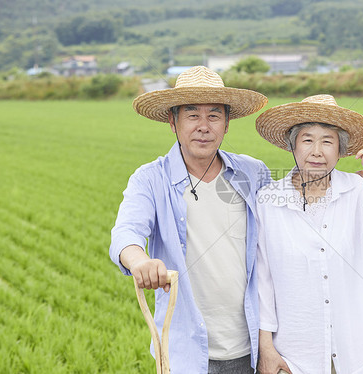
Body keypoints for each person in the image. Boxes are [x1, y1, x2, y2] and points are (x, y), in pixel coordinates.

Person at [109, 66, 270, 373]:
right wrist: (140, 261)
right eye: (192, 115)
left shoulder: (254, 173)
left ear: (227, 123)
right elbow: (126, 232)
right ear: (173, 121)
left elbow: (292, 217)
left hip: (250, 348)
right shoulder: (150, 179)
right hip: (184, 353)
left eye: (214, 115)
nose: (203, 126)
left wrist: (350, 185)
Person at [254, 95, 363, 374]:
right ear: (292, 145)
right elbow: (263, 282)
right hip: (294, 354)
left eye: (327, 141)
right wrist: (266, 349)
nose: (317, 151)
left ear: (341, 150)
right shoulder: (268, 201)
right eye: (307, 140)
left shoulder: (357, 191)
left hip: (353, 350)